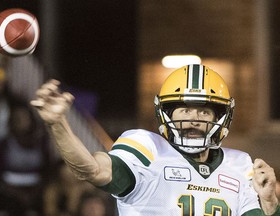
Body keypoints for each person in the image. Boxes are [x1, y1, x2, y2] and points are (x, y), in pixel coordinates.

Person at [31, 64, 279, 215]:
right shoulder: (147, 148)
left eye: (204, 111)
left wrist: (270, 202)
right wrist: (58, 123)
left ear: (220, 118)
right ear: (166, 114)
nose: (194, 119)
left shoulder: (240, 164)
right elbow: (91, 169)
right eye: (184, 110)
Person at [0, 102, 52, 215]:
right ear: (10, 121)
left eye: (23, 117)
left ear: (31, 119)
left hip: (36, 189)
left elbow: (47, 170)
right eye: (16, 118)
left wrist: (35, 191)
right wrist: (16, 193)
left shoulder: (41, 142)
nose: (20, 121)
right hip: (8, 190)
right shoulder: (3, 145)